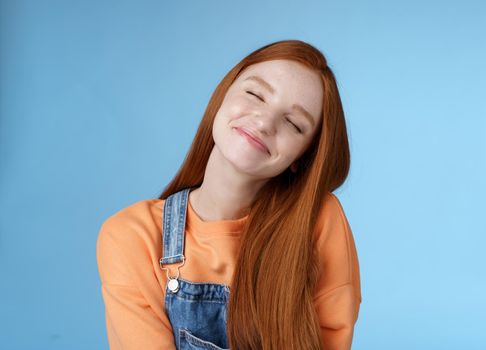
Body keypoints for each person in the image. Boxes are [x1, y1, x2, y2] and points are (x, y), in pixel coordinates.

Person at [96, 39, 362, 350]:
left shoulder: (318, 221)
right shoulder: (131, 236)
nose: (264, 122)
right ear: (222, 96)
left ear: (301, 158)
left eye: (293, 123)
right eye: (255, 94)